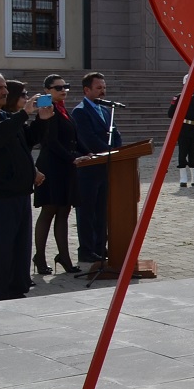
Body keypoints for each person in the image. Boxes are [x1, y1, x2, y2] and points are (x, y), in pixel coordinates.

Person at [0, 72, 52, 300]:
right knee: (3, 249)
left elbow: (28, 140)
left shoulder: (6, 116)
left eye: (5, 87)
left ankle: (17, 289)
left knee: (20, 248)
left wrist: (41, 120)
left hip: (19, 193)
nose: (5, 91)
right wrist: (22, 114)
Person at [71, 71, 121, 266]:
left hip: (105, 169)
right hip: (89, 170)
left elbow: (115, 133)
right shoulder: (80, 111)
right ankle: (87, 249)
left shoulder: (107, 110)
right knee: (87, 212)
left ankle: (101, 247)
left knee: (102, 211)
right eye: (98, 88)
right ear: (87, 90)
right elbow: (88, 139)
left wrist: (117, 150)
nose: (103, 91)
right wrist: (108, 151)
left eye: (104, 88)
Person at [32, 74, 79, 275]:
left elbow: (72, 137)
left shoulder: (62, 109)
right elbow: (50, 141)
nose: (63, 90)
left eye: (65, 86)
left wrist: (86, 154)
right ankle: (39, 257)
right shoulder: (46, 107)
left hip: (65, 167)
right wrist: (71, 158)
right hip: (50, 166)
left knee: (63, 211)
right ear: (47, 91)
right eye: (58, 87)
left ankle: (64, 257)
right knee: (49, 211)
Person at [168, 78, 194, 187]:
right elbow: (170, 113)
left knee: (193, 151)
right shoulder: (178, 97)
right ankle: (183, 178)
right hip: (183, 127)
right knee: (183, 151)